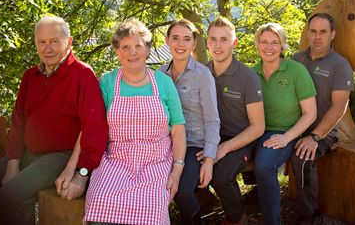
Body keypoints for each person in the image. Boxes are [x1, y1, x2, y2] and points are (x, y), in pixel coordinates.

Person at [0, 15, 108, 225]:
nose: (48, 48)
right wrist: (12, 164)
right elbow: (18, 122)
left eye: (54, 41)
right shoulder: (30, 77)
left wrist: (82, 173)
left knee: (12, 193)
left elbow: (94, 128)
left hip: (61, 156)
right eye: (42, 42)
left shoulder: (83, 75)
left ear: (68, 42)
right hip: (29, 153)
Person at [84, 18, 186, 225]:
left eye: (138, 46)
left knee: (153, 213)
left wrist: (177, 170)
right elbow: (92, 127)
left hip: (155, 163)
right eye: (125, 47)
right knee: (99, 204)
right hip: (115, 162)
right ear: (117, 51)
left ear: (147, 49)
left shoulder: (164, 83)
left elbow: (177, 130)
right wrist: (80, 170)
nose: (133, 52)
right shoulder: (107, 82)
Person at [291, 13, 354, 224]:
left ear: (332, 34)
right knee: (263, 146)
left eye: (323, 32)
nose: (317, 37)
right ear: (308, 33)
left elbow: (339, 106)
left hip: (324, 129)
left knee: (302, 158)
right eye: (314, 31)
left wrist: (315, 137)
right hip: (294, 125)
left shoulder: (340, 65)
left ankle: (307, 214)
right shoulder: (295, 60)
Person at [252, 23, 317, 225]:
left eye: (275, 43)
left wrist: (286, 137)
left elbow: (310, 113)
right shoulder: (251, 73)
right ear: (257, 45)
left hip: (287, 131)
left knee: (263, 166)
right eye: (264, 42)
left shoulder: (296, 71)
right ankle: (237, 215)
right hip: (255, 130)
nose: (269, 47)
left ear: (283, 47)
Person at [203, 16, 265, 225]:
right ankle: (206, 205)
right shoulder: (202, 72)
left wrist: (225, 147)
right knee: (188, 168)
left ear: (234, 43)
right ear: (207, 42)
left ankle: (239, 219)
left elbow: (258, 126)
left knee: (221, 175)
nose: (218, 45)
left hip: (243, 139)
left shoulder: (247, 77)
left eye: (224, 39)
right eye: (213, 39)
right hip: (211, 136)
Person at [159, 19, 220, 225]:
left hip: (195, 144)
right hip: (167, 143)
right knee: (158, 185)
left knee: (181, 191)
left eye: (187, 39)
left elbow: (212, 120)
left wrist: (210, 158)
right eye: (175, 38)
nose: (180, 44)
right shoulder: (160, 74)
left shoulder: (203, 75)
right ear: (167, 40)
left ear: (194, 43)